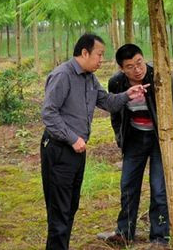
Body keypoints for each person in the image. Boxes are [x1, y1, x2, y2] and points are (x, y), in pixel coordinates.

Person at [41, 33, 149, 250]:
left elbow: (108, 102)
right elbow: (49, 113)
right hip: (59, 149)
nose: (102, 60)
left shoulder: (89, 78)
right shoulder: (63, 75)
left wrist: (128, 94)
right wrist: (73, 139)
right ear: (84, 53)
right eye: (99, 55)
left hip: (76, 151)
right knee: (59, 210)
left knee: (70, 206)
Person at [98, 43, 173, 247]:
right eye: (130, 66)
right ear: (122, 69)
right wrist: (119, 137)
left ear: (144, 59)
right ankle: (124, 233)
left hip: (161, 141)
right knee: (128, 185)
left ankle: (159, 238)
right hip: (134, 139)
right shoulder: (117, 83)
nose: (137, 69)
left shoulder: (159, 77)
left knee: (159, 189)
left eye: (139, 62)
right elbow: (115, 113)